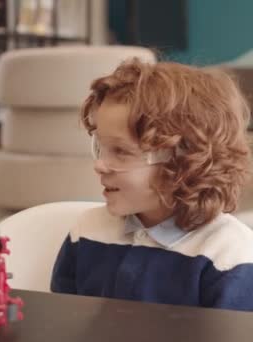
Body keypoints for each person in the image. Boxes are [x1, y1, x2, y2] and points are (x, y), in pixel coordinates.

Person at [51, 59, 253, 311]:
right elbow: (63, 323)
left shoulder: (228, 254)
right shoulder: (87, 231)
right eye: (100, 147)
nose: (100, 165)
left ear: (184, 161)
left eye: (121, 152)